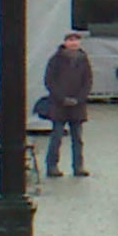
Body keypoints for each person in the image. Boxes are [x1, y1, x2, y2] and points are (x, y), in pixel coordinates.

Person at [43, 31, 94, 177]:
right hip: (59, 105)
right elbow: (49, 81)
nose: (73, 43)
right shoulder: (55, 59)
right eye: (70, 40)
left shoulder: (84, 60)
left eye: (76, 40)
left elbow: (88, 81)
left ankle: (78, 166)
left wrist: (80, 98)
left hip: (78, 106)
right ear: (65, 42)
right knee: (56, 137)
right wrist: (61, 98)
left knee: (77, 139)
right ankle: (52, 166)